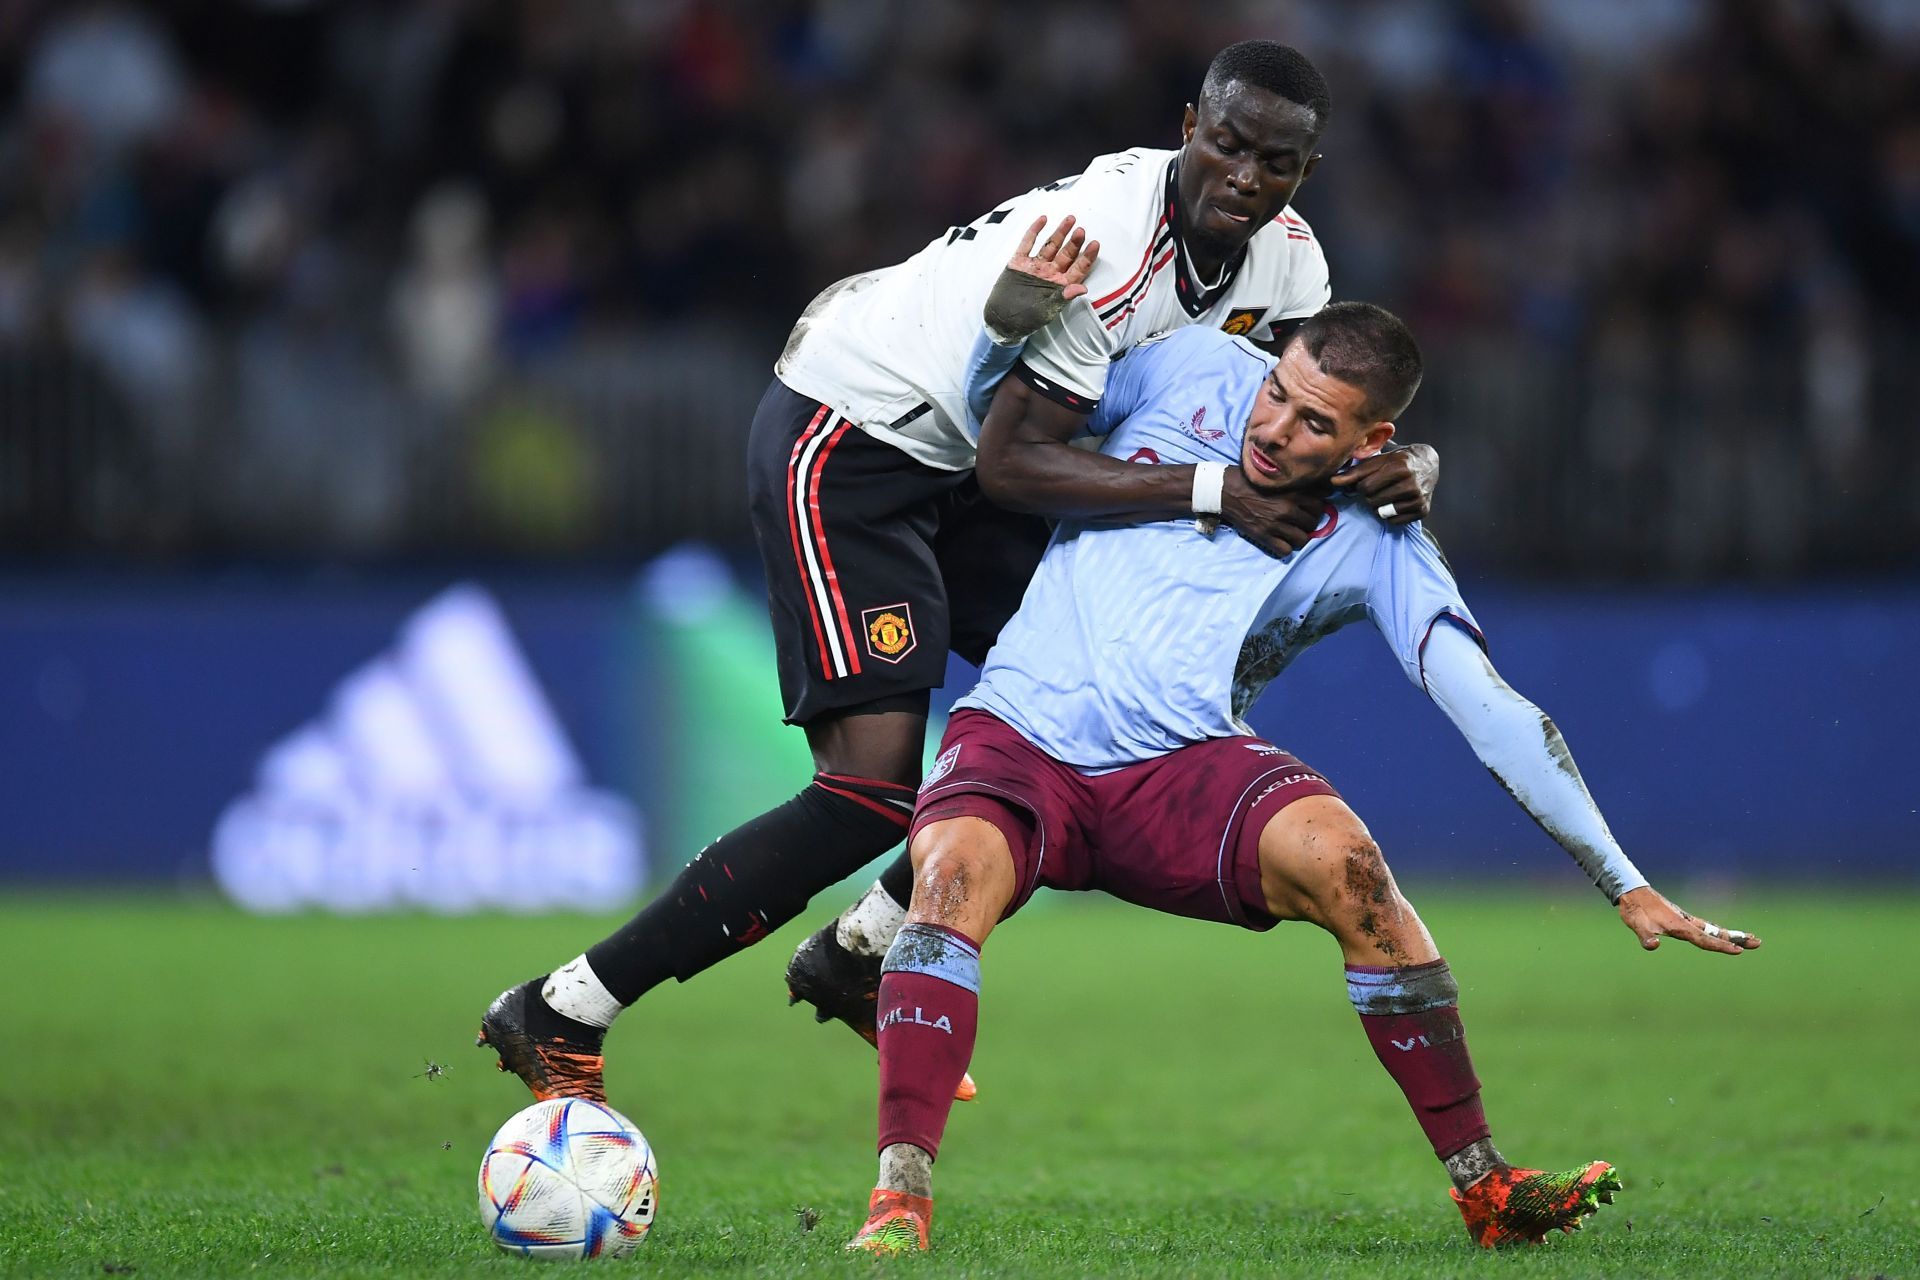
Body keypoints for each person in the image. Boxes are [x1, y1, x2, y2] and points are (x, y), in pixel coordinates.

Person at [478, 42, 1441, 1103]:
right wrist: (1214, 492)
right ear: (1188, 126)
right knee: (866, 791)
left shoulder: (1291, 267)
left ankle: (858, 949)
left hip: (971, 471)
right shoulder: (1107, 240)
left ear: (1307, 172)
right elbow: (1017, 461)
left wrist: (1397, 461)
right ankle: (564, 1005)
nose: (1247, 177)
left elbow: (1299, 417)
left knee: (1077, 710)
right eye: (1229, 143)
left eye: (1278, 161)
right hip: (854, 439)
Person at [841, 304, 1759, 1255]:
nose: (1275, 428)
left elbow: (1489, 706)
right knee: (947, 877)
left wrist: (1623, 878)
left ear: (1375, 441)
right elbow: (1007, 413)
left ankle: (1489, 1189)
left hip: (1179, 765)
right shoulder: (1189, 368)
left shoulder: (1382, 541)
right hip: (1021, 734)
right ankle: (899, 1202)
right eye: (1279, 392)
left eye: (1317, 424)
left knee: (1352, 866)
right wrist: (1004, 326)